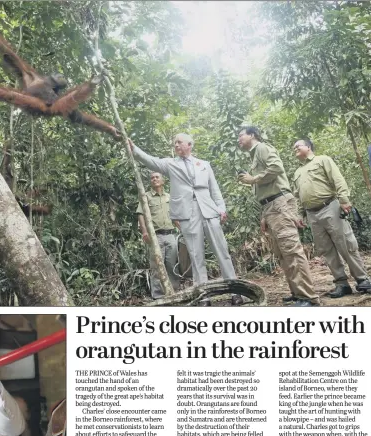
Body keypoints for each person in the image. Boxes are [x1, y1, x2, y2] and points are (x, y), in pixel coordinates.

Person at [130, 133, 243, 306]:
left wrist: (221, 209)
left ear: (189, 145)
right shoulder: (171, 164)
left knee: (222, 252)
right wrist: (133, 148)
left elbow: (215, 189)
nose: (175, 145)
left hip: (209, 211)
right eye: (174, 142)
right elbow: (149, 160)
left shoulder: (204, 165)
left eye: (179, 142)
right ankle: (203, 295)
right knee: (196, 256)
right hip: (188, 215)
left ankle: (236, 291)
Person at [237, 126, 320, 307]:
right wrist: (264, 214)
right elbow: (266, 188)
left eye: (241, 135)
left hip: (279, 203)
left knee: (291, 250)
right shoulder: (254, 154)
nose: (238, 139)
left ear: (252, 135)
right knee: (282, 252)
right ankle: (297, 293)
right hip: (270, 206)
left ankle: (308, 297)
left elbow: (276, 167)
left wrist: (253, 179)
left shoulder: (262, 148)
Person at [292, 139, 371, 297]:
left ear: (308, 147)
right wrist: (300, 214)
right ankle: (341, 284)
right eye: (293, 147)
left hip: (330, 207)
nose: (295, 148)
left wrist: (344, 200)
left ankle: (362, 280)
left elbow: (338, 179)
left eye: (298, 145)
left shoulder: (322, 160)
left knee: (346, 244)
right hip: (312, 214)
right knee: (327, 250)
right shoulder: (297, 172)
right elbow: (298, 195)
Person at [136, 172, 180, 298]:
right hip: (155, 236)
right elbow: (140, 214)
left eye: (157, 177)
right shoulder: (146, 197)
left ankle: (174, 292)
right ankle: (158, 295)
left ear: (163, 181)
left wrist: (183, 230)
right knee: (156, 266)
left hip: (171, 235)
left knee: (172, 265)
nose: (154, 179)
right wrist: (144, 232)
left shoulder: (169, 197)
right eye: (152, 178)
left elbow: (175, 216)